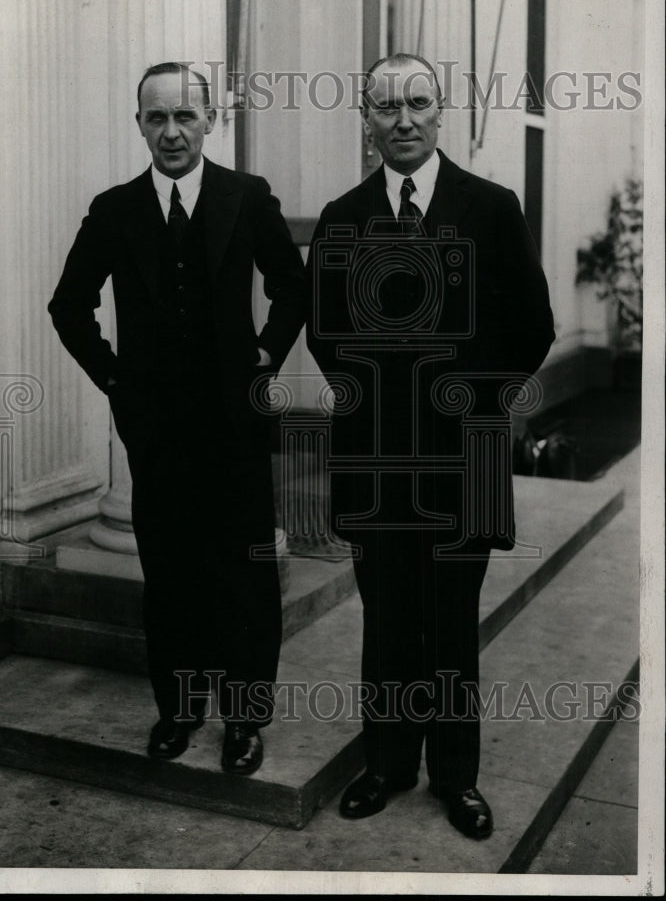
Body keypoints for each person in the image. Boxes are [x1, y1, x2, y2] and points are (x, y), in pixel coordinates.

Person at [306, 53, 555, 837]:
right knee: (386, 621)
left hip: (467, 458)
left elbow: (532, 328)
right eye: (386, 107)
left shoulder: (490, 207)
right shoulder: (343, 217)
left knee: (451, 621)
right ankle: (385, 764)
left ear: (440, 110)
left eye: (417, 102)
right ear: (366, 120)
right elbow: (326, 335)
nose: (403, 119)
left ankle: (456, 778)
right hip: (378, 461)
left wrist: (464, 396)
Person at [49, 61, 305, 776]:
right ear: (139, 125)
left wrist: (266, 352)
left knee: (245, 576)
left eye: (184, 117)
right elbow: (69, 306)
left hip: (238, 427)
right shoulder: (114, 209)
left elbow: (294, 289)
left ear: (209, 121)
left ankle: (245, 722)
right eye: (156, 118)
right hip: (157, 432)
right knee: (170, 573)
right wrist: (116, 379)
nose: (171, 132)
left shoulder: (245, 197)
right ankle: (181, 709)